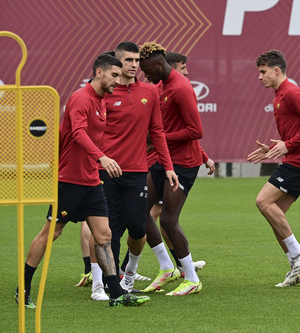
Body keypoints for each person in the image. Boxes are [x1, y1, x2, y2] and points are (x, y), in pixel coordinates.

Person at [15, 54, 149, 308]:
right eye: (114, 75)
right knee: (51, 232)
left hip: (91, 181)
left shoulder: (101, 102)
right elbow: (77, 133)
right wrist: (102, 158)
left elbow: (96, 139)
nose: (117, 80)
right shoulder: (80, 98)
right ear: (99, 73)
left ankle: (116, 293)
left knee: (104, 235)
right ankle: (23, 289)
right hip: (70, 180)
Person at [86, 41, 179, 300]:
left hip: (138, 172)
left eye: (137, 61)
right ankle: (101, 285)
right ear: (116, 63)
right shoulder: (103, 93)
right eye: (129, 60)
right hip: (107, 172)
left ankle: (128, 277)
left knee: (138, 229)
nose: (134, 65)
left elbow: (157, 132)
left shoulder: (150, 92)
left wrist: (168, 167)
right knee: (108, 231)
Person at [247, 50, 300, 287]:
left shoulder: (291, 92)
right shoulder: (279, 95)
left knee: (262, 201)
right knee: (275, 217)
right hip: (296, 158)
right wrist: (272, 148)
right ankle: (297, 268)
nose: (260, 77)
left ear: (276, 70)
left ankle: (298, 253)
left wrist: (288, 145)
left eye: (263, 72)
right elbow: (291, 134)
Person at [139, 41, 205, 296]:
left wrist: (160, 139)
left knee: (168, 219)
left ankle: (192, 278)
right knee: (138, 211)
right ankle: (167, 267)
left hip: (184, 163)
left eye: (148, 70)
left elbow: (196, 131)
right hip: (162, 159)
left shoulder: (180, 87)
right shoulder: (160, 86)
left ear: (159, 64)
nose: (146, 75)